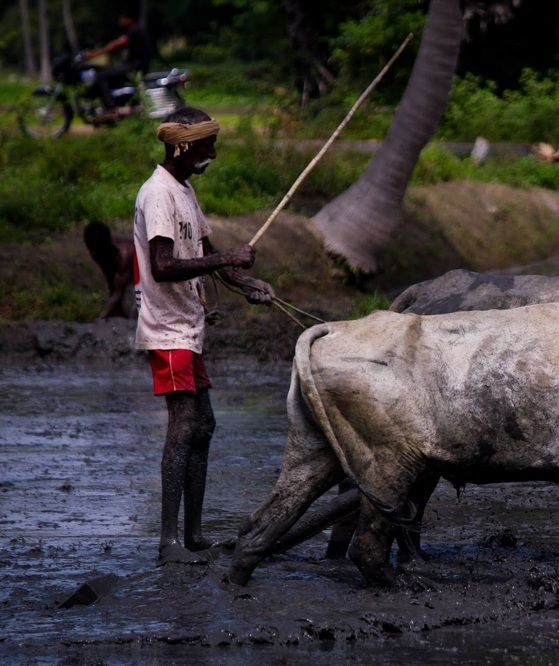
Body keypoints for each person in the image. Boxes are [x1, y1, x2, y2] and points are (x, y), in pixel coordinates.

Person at [133, 106, 274, 566]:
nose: (213, 153)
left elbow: (207, 254)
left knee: (204, 425)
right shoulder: (158, 194)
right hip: (168, 329)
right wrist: (227, 259)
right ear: (182, 146)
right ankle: (169, 543)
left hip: (189, 329)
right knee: (183, 428)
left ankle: (193, 536)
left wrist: (248, 283)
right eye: (206, 145)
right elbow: (163, 266)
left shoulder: (185, 191)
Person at [83, 8, 152, 121]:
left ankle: (111, 110)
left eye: (122, 17)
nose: (120, 20)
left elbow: (116, 45)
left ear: (128, 18)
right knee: (108, 71)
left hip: (136, 67)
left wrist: (94, 54)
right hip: (134, 65)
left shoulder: (134, 30)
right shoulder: (133, 29)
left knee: (100, 75)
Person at [83, 221, 135, 319]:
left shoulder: (123, 256)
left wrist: (100, 319)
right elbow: (111, 282)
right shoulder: (99, 246)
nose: (91, 253)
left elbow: (117, 293)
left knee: (130, 306)